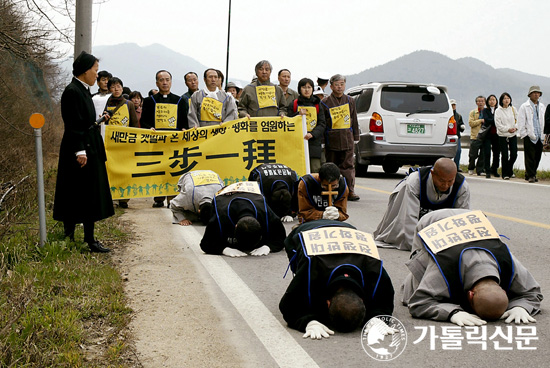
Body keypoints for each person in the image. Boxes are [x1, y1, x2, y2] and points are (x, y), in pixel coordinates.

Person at [402, 208, 543, 326]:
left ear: (504, 290)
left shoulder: (508, 262)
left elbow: (533, 292)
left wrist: (521, 307)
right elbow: (418, 303)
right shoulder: (445, 265)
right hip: (431, 222)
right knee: (410, 291)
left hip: (470, 220)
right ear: (470, 295)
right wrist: (452, 313)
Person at [279, 220, 395, 338]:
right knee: (301, 268)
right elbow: (289, 304)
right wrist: (309, 322)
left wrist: (377, 318)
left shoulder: (372, 265)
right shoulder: (311, 266)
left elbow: (384, 298)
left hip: (347, 229)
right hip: (307, 230)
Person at [53, 51, 114, 253]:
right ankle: (69, 237)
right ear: (85, 70)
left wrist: (99, 119)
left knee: (90, 194)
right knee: (73, 192)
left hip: (89, 146)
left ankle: (90, 238)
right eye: (95, 70)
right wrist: (80, 151)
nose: (97, 75)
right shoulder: (72, 91)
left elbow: (85, 121)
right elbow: (73, 124)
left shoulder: (83, 90)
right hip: (79, 149)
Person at [374, 158, 470, 251]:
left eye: (450, 181)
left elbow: (462, 218)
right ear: (433, 174)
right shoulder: (416, 181)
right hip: (415, 213)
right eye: (441, 181)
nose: (445, 185)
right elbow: (408, 218)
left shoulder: (462, 186)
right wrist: (416, 246)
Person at [140, 70, 189, 208]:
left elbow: (184, 122)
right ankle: (159, 197)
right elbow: (144, 121)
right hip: (157, 143)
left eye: (167, 79)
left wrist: (184, 129)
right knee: (159, 169)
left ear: (171, 82)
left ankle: (172, 198)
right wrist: (149, 128)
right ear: (157, 83)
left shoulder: (180, 101)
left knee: (173, 169)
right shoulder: (150, 101)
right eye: (161, 80)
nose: (165, 82)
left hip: (174, 143)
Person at [199, 182, 286, 257]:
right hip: (225, 195)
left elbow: (282, 237)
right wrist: (223, 249)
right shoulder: (220, 216)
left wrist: (269, 247)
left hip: (252, 193)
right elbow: (205, 244)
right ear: (235, 226)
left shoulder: (266, 213)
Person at [321, 74, 360, 201]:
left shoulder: (350, 100)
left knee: (348, 166)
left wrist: (356, 136)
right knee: (331, 166)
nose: (339, 87)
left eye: (342, 84)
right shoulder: (325, 102)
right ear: (331, 86)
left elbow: (354, 119)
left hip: (347, 138)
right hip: (331, 139)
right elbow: (323, 122)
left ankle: (350, 190)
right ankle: (331, 190)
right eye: (336, 84)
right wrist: (322, 141)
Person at [287, 78, 326, 173]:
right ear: (299, 89)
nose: (307, 90)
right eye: (304, 87)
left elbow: (322, 123)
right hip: (297, 142)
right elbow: (288, 121)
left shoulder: (317, 104)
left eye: (309, 87)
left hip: (314, 143)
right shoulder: (294, 104)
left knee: (315, 169)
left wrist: (312, 134)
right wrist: (297, 115)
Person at [518, 86, 546, 183]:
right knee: (529, 157)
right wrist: (524, 134)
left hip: (540, 135)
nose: (536, 94)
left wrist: (545, 134)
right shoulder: (524, 106)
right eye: (534, 93)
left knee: (537, 157)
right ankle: (531, 175)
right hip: (529, 135)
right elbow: (521, 122)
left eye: (538, 93)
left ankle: (531, 173)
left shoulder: (542, 106)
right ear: (530, 94)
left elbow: (544, 121)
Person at [494, 92, 518, 180]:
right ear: (501, 100)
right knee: (504, 155)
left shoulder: (513, 109)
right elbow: (498, 124)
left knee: (514, 154)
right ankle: (505, 174)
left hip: (513, 134)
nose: (506, 100)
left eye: (508, 98)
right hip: (502, 135)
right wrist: (507, 129)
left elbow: (518, 120)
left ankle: (509, 169)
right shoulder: (498, 111)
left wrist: (515, 128)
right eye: (504, 98)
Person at [481, 94, 500, 178]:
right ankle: (487, 170)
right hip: (487, 134)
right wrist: (496, 120)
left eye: (494, 99)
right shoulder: (485, 110)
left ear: (496, 101)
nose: (492, 101)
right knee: (487, 153)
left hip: (497, 134)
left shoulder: (499, 110)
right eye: (490, 100)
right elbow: (487, 120)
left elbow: (500, 120)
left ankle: (494, 169)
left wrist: (494, 120)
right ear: (488, 102)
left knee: (496, 153)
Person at [467, 96, 486, 176]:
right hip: (475, 136)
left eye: (482, 101)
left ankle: (480, 170)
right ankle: (471, 168)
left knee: (483, 155)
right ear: (476, 103)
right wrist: (480, 121)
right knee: (473, 154)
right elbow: (471, 123)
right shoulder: (473, 112)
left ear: (485, 102)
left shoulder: (487, 112)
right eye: (479, 101)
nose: (480, 103)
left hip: (485, 136)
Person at [450, 99, 465, 171]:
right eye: (452, 105)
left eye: (454, 105)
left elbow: (461, 125)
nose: (453, 106)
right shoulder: (448, 115)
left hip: (457, 136)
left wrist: (462, 127)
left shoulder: (458, 116)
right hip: (448, 136)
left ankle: (456, 166)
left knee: (458, 151)